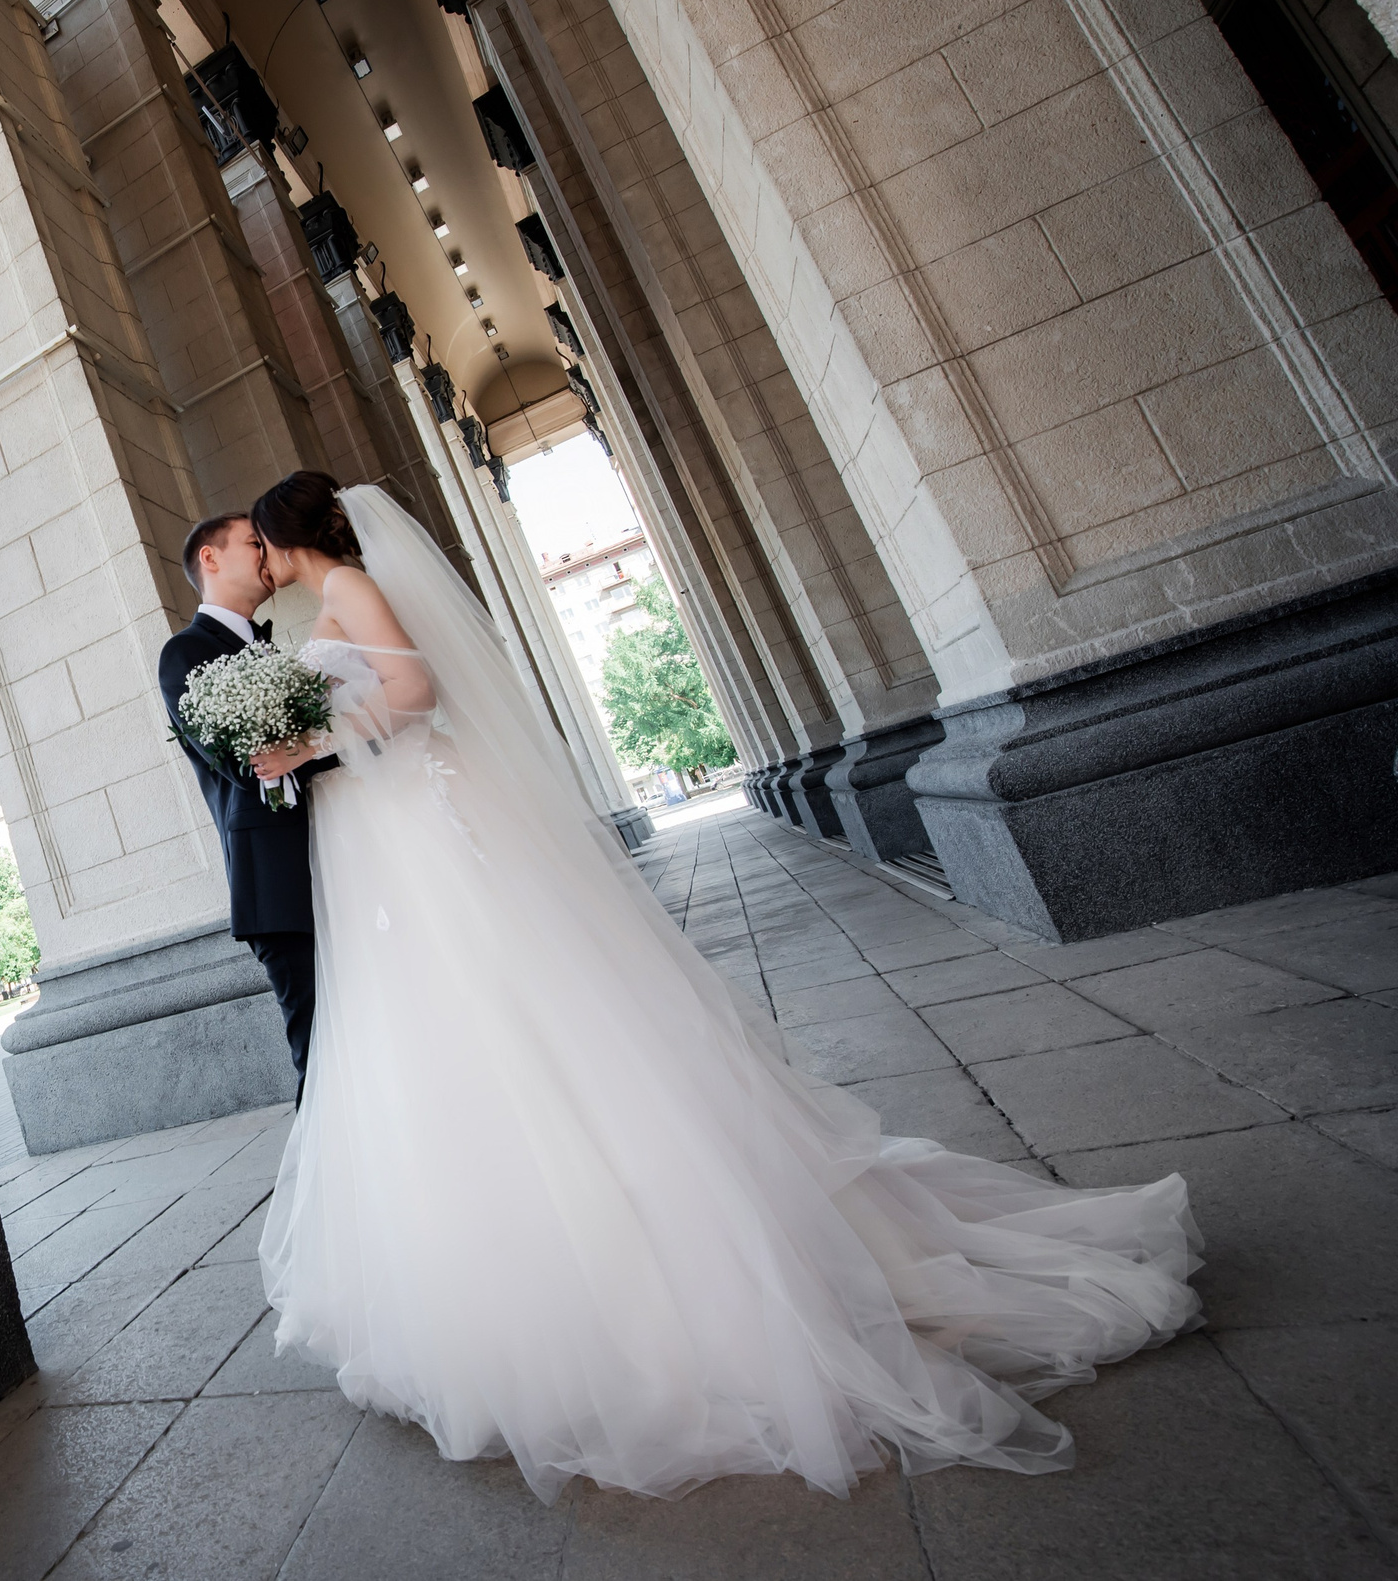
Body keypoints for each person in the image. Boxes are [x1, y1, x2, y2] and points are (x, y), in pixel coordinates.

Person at [242, 470, 1202, 1503]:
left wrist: (313, 739)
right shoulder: (328, 598)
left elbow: (416, 693)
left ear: (285, 537)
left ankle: (632, 1290)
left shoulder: (345, 590)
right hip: (390, 836)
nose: (260, 558)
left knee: (509, 1018)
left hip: (417, 826)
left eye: (260, 541)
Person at [158, 512, 337, 1086]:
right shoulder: (183, 653)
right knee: (319, 1045)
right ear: (210, 559)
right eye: (254, 543)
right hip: (277, 882)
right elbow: (245, 763)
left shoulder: (265, 649)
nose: (266, 554)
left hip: (335, 856)